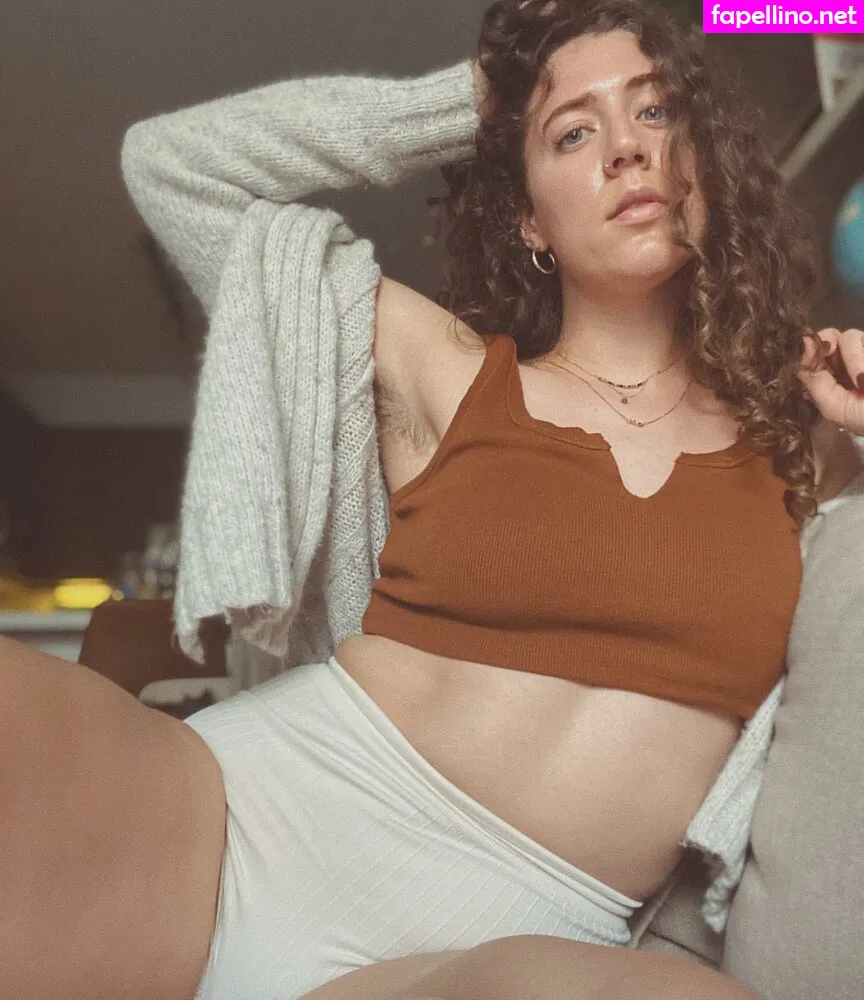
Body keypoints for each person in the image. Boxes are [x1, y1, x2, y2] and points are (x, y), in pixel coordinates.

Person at [3, 2, 864, 1000]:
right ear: (528, 217)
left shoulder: (800, 437)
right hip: (238, 818)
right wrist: (489, 96)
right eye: (573, 133)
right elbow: (172, 166)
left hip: (500, 943)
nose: (627, 148)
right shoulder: (451, 375)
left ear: (705, 162)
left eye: (657, 111)